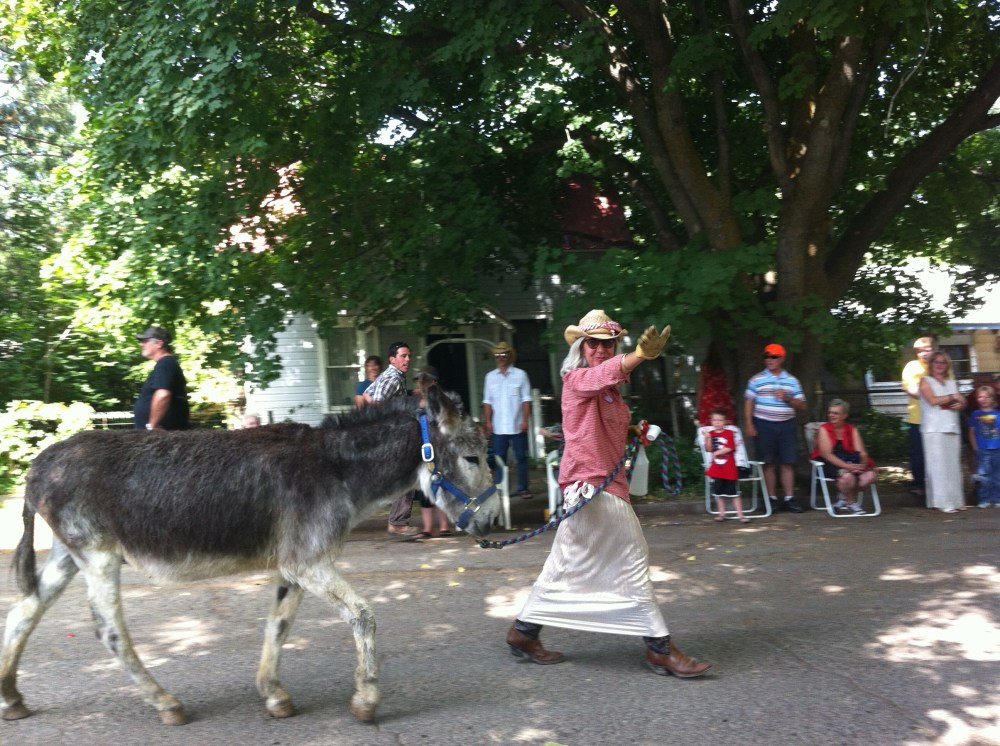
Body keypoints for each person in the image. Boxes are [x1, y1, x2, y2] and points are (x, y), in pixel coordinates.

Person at [506, 309, 711, 679]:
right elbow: (603, 375)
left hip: (602, 485)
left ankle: (524, 632)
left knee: (567, 562)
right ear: (581, 347)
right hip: (591, 487)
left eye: (608, 344)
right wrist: (641, 355)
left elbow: (599, 419)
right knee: (631, 558)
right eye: (593, 343)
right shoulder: (577, 379)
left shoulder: (610, 392)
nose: (601, 350)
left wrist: (631, 431)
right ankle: (660, 649)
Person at [365, 341, 420, 538]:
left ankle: (397, 522)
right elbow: (376, 403)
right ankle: (397, 523)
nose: (407, 359)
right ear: (392, 359)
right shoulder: (394, 379)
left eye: (409, 356)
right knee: (409, 476)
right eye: (403, 356)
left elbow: (366, 394)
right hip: (389, 438)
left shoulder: (388, 375)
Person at [743, 343, 806, 512]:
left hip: (786, 425)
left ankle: (789, 499)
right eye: (766, 356)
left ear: (782, 358)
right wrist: (749, 424)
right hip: (764, 424)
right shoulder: (756, 380)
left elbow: (802, 405)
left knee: (787, 462)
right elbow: (749, 402)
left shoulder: (792, 380)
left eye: (773, 356)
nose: (769, 359)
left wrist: (787, 398)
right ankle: (771, 499)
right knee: (768, 463)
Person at [482, 341, 533, 499]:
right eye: (498, 355)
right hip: (498, 426)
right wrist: (488, 421)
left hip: (517, 424)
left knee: (521, 458)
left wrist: (525, 420)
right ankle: (501, 489)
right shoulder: (490, 377)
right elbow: (487, 402)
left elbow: (526, 400)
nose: (501, 358)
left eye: (504, 354)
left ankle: (523, 489)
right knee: (499, 460)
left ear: (510, 356)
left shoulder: (520, 375)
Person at [918, 351, 966, 513]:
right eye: (936, 362)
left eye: (943, 362)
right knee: (938, 466)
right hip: (934, 428)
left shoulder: (951, 382)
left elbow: (962, 401)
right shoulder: (925, 381)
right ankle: (942, 502)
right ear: (931, 364)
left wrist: (961, 403)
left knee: (953, 465)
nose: (939, 365)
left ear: (947, 365)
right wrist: (953, 397)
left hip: (951, 426)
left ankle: (955, 500)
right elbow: (932, 400)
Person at [810, 399, 876, 515]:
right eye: (830, 412)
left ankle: (843, 498)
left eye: (835, 413)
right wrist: (847, 466)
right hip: (829, 462)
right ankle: (851, 503)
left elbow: (861, 452)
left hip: (850, 460)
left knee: (870, 476)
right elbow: (827, 454)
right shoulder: (824, 429)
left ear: (845, 415)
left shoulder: (851, 429)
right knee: (847, 478)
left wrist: (862, 465)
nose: (831, 415)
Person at [412, 367, 453, 539]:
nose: (421, 384)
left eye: (424, 381)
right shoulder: (415, 402)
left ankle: (444, 526)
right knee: (424, 488)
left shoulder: (443, 400)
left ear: (434, 382)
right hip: (422, 448)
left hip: (439, 447)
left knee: (441, 485)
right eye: (419, 381)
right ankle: (427, 527)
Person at [133, 326, 190, 431]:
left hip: (162, 437)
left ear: (159, 344)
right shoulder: (167, 363)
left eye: (145, 341)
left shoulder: (165, 363)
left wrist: (152, 426)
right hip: (164, 436)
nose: (141, 344)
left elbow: (163, 394)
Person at [902, 337, 935, 502]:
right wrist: (933, 396)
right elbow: (911, 389)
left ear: (933, 350)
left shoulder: (940, 365)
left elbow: (949, 386)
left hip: (938, 418)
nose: (924, 353)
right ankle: (919, 486)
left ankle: (936, 485)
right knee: (918, 454)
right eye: (920, 351)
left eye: (927, 350)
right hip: (917, 418)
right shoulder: (911, 367)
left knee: (936, 453)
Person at [704, 407, 750, 523]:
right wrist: (708, 439)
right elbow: (708, 449)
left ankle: (740, 515)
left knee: (734, 493)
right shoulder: (710, 434)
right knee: (719, 493)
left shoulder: (729, 433)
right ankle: (721, 514)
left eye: (720, 420)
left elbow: (730, 447)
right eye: (715, 420)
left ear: (725, 422)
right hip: (717, 469)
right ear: (711, 421)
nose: (717, 423)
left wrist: (717, 453)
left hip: (729, 469)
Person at [968, 385, 1000, 509]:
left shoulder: (997, 414)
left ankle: (997, 498)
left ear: (993, 399)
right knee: (983, 475)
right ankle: (984, 499)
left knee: (997, 475)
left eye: (987, 397)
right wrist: (975, 447)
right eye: (980, 397)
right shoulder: (975, 414)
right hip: (982, 449)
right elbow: (971, 432)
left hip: (997, 448)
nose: (984, 399)